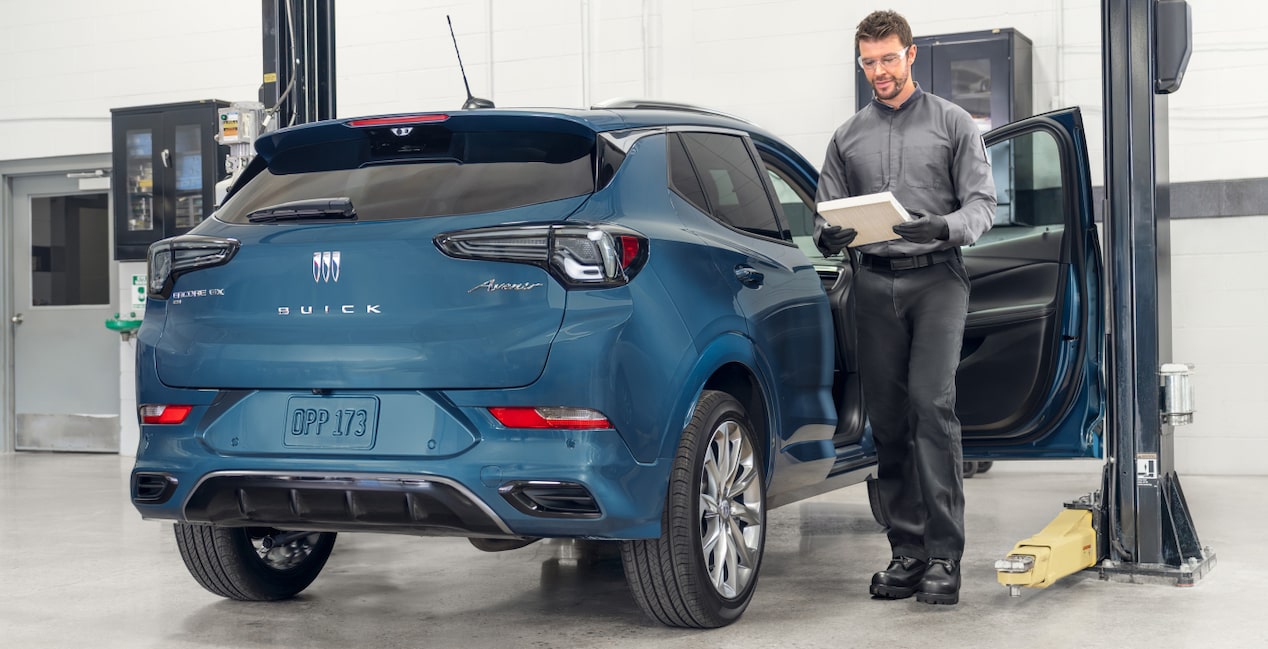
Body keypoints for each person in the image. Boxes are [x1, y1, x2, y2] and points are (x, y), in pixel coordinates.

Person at [813, 9, 996, 606]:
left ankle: (945, 555)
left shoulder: (953, 122)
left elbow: (982, 207)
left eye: (888, 59)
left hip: (937, 279)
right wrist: (829, 238)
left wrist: (941, 227)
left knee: (930, 407)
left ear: (910, 55)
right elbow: (825, 214)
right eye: (869, 62)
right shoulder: (847, 136)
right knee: (887, 420)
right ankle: (908, 551)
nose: (879, 72)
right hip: (872, 283)